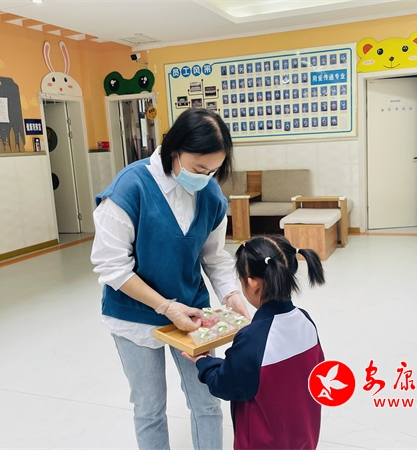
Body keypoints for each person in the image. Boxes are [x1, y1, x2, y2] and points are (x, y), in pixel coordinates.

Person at [91, 108, 249, 450]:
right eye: (198, 168)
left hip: (192, 313)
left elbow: (213, 255)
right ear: (175, 149)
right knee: (149, 408)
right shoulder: (130, 187)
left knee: (207, 402)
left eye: (213, 170)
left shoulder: (211, 195)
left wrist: (231, 295)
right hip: (134, 314)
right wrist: (165, 306)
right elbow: (111, 267)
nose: (205, 177)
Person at [183, 235, 326, 450]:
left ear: (253, 283)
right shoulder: (305, 321)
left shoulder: (252, 339)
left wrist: (204, 362)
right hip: (303, 438)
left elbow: (224, 385)